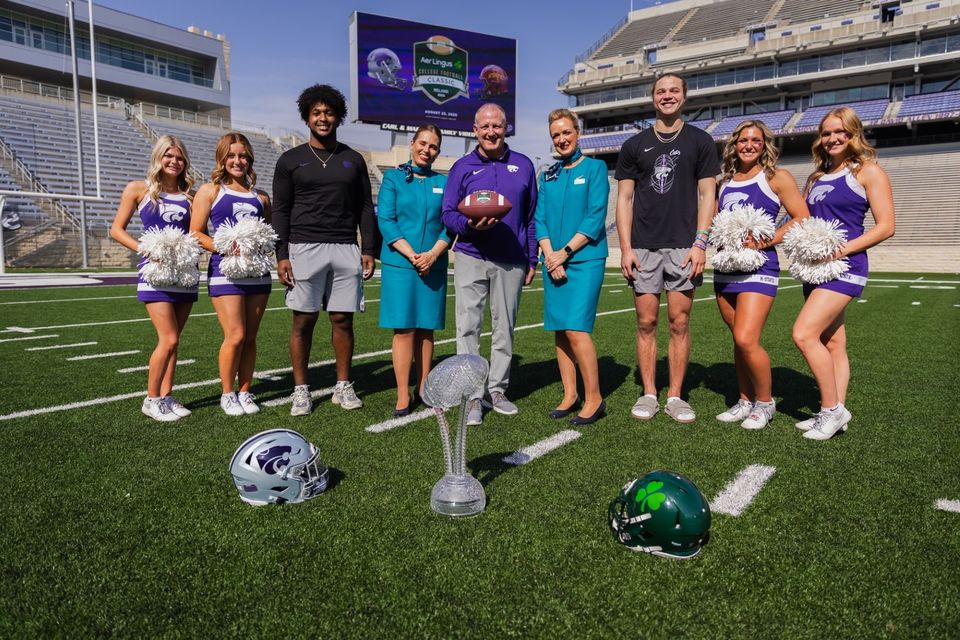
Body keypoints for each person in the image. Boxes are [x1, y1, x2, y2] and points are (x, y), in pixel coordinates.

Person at [614, 73, 720, 423]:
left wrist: (700, 242)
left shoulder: (700, 141)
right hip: (643, 246)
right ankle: (648, 392)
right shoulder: (634, 145)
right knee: (646, 322)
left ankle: (675, 395)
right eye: (661, 91)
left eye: (674, 90)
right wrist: (625, 248)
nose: (667, 96)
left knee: (679, 322)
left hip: (683, 246)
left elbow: (708, 194)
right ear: (653, 98)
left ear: (684, 97)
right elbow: (625, 199)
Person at [272, 84, 378, 416]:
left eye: (329, 112)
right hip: (304, 247)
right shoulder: (290, 160)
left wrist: (368, 248)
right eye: (316, 112)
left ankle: (343, 386)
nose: (323, 118)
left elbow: (364, 207)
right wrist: (282, 254)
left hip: (345, 246)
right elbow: (281, 210)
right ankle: (301, 390)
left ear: (338, 116)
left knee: (342, 320)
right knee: (303, 320)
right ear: (307, 116)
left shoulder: (353, 159)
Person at [792, 107, 895, 441]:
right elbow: (805, 221)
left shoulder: (868, 172)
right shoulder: (815, 178)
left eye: (841, 132)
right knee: (833, 342)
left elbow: (886, 227)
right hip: (815, 267)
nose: (832, 139)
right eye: (826, 133)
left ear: (854, 135)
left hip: (845, 266)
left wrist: (841, 249)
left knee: (804, 334)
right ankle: (835, 410)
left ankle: (832, 410)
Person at [441, 103, 538, 426]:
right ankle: (471, 396)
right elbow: (448, 213)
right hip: (471, 253)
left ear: (506, 127)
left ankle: (497, 389)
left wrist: (532, 257)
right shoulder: (462, 166)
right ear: (475, 129)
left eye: (496, 126)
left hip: (511, 258)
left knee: (503, 327)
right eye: (485, 127)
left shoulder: (523, 165)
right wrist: (469, 227)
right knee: (468, 326)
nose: (491, 132)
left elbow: (530, 216)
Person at [713, 121, 809, 429]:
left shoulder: (776, 177)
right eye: (743, 140)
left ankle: (765, 403)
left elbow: (802, 216)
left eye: (756, 140)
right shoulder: (724, 181)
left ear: (765, 144)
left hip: (760, 266)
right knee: (737, 341)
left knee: (746, 337)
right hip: (727, 269)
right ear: (734, 144)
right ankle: (744, 400)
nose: (749, 145)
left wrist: (767, 240)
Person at [110, 135, 196, 422]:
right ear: (158, 158)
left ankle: (167, 397)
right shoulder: (138, 189)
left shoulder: (190, 196)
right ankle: (151, 399)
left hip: (184, 273)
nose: (174, 162)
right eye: (168, 156)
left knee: (176, 340)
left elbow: (195, 232)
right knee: (168, 338)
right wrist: (147, 249)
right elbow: (117, 230)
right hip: (155, 273)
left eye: (179, 157)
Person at [535, 109, 609, 425]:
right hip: (553, 259)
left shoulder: (595, 168)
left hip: (584, 259)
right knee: (560, 332)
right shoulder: (547, 175)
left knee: (577, 329)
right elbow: (539, 219)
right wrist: (550, 256)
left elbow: (595, 216)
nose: (562, 139)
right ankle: (569, 393)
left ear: (577, 133)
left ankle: (594, 397)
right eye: (556, 135)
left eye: (566, 132)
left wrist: (564, 253)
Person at [190, 132, 272, 417]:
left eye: (243, 155)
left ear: (250, 159)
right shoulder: (209, 191)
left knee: (250, 336)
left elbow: (267, 235)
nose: (238, 161)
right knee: (235, 335)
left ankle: (246, 391)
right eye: (232, 155)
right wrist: (227, 248)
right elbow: (196, 233)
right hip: (225, 271)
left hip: (258, 273)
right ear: (222, 159)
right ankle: (227, 392)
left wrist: (256, 246)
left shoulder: (261, 197)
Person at [377, 125, 452, 417]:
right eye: (422, 143)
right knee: (404, 329)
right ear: (412, 143)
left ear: (438, 151)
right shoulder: (393, 178)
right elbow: (386, 220)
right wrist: (412, 255)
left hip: (433, 264)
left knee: (426, 328)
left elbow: (450, 224)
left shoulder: (444, 183)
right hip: (401, 265)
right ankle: (401, 394)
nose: (427, 150)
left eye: (433, 146)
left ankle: (424, 388)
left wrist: (432, 254)